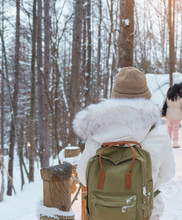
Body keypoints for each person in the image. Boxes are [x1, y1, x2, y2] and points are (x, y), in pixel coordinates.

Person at [73, 67, 175, 220]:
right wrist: (145, 178)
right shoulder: (158, 133)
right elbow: (168, 174)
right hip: (145, 213)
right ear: (146, 97)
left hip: (103, 213)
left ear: (114, 96)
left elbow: (83, 176)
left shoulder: (96, 131)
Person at [164, 84, 182, 148]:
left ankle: (168, 142)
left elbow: (164, 103)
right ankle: (175, 143)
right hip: (177, 114)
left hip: (169, 114)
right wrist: (181, 111)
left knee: (169, 128)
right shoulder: (180, 97)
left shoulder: (168, 95)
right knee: (175, 129)